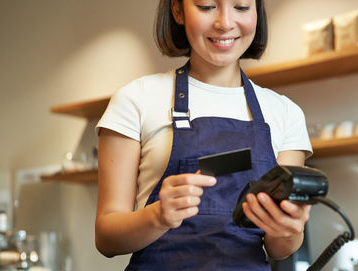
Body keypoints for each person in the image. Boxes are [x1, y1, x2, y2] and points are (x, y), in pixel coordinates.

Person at [93, 0, 313, 270]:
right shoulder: (136, 99)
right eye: (207, 6)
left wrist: (289, 228)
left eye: (242, 7)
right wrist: (158, 216)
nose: (225, 23)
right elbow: (106, 237)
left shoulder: (284, 112)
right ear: (177, 10)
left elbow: (279, 249)